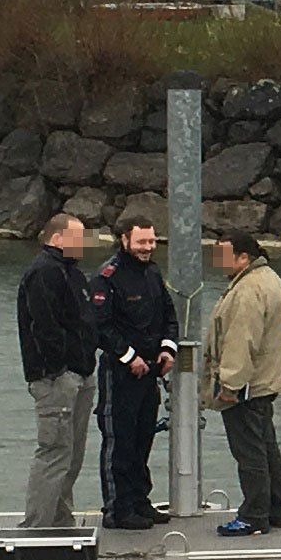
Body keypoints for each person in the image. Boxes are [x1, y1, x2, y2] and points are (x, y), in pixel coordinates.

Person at [90, 209, 180, 530]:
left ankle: (140, 501)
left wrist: (168, 349)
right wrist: (129, 357)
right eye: (141, 241)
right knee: (119, 442)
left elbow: (170, 316)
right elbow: (101, 327)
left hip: (150, 374)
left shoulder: (153, 274)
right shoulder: (107, 278)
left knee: (143, 440)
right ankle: (117, 509)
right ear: (125, 239)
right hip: (120, 374)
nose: (147, 247)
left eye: (152, 240)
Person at [201, 228, 281, 535]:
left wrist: (230, 385)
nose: (218, 262)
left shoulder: (248, 290)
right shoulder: (268, 279)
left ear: (244, 257)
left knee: (249, 452)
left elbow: (242, 340)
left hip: (247, 388)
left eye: (224, 255)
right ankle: (276, 508)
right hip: (264, 382)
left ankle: (254, 516)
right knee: (266, 447)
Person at [15, 211, 99, 528]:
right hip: (58, 378)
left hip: (80, 373)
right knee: (54, 451)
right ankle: (37, 525)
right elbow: (44, 326)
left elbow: (86, 322)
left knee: (72, 453)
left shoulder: (72, 274)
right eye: (78, 237)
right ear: (57, 238)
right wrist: (58, 369)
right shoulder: (44, 273)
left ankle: (60, 520)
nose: (83, 244)